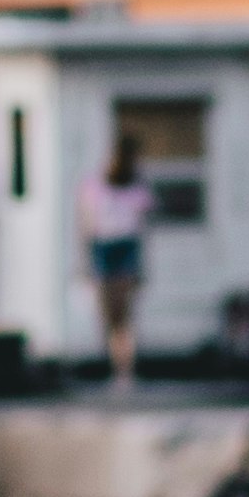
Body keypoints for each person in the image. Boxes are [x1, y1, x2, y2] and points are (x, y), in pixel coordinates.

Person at [80, 137, 153, 384]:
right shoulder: (136, 188)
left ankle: (120, 369)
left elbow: (88, 225)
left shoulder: (96, 187)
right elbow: (142, 224)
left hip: (106, 246)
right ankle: (125, 370)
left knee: (113, 317)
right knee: (124, 316)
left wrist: (86, 261)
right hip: (123, 246)